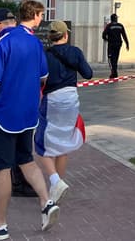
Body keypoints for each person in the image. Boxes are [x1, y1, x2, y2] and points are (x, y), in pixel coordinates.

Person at [0, 1, 57, 240]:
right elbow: (43, 76)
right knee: (26, 161)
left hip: (3, 117)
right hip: (28, 115)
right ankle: (47, 202)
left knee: (1, 170)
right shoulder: (34, 41)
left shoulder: (1, 43)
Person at [35, 20, 93, 214]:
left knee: (41, 145)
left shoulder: (44, 55)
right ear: (66, 35)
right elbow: (88, 73)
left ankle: (56, 182)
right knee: (63, 143)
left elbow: (39, 79)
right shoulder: (75, 52)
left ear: (51, 37)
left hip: (52, 100)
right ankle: (56, 186)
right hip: (71, 99)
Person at [101, 13, 129, 79]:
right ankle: (115, 72)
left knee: (110, 59)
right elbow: (124, 35)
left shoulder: (109, 26)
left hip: (111, 44)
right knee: (115, 58)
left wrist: (107, 39)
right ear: (116, 19)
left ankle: (113, 72)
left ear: (111, 19)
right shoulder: (120, 25)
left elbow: (103, 35)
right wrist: (127, 44)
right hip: (118, 44)